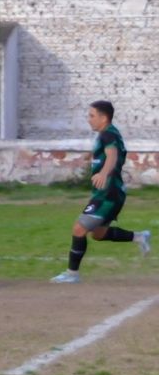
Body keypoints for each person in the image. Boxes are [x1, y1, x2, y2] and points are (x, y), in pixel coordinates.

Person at [51, 100, 150, 283]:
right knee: (98, 234)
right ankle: (139, 236)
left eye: (92, 116)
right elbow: (108, 153)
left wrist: (104, 173)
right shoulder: (110, 134)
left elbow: (112, 156)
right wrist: (90, 157)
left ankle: (72, 274)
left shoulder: (108, 135)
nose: (89, 119)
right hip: (110, 193)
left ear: (103, 118)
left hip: (107, 194)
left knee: (79, 228)